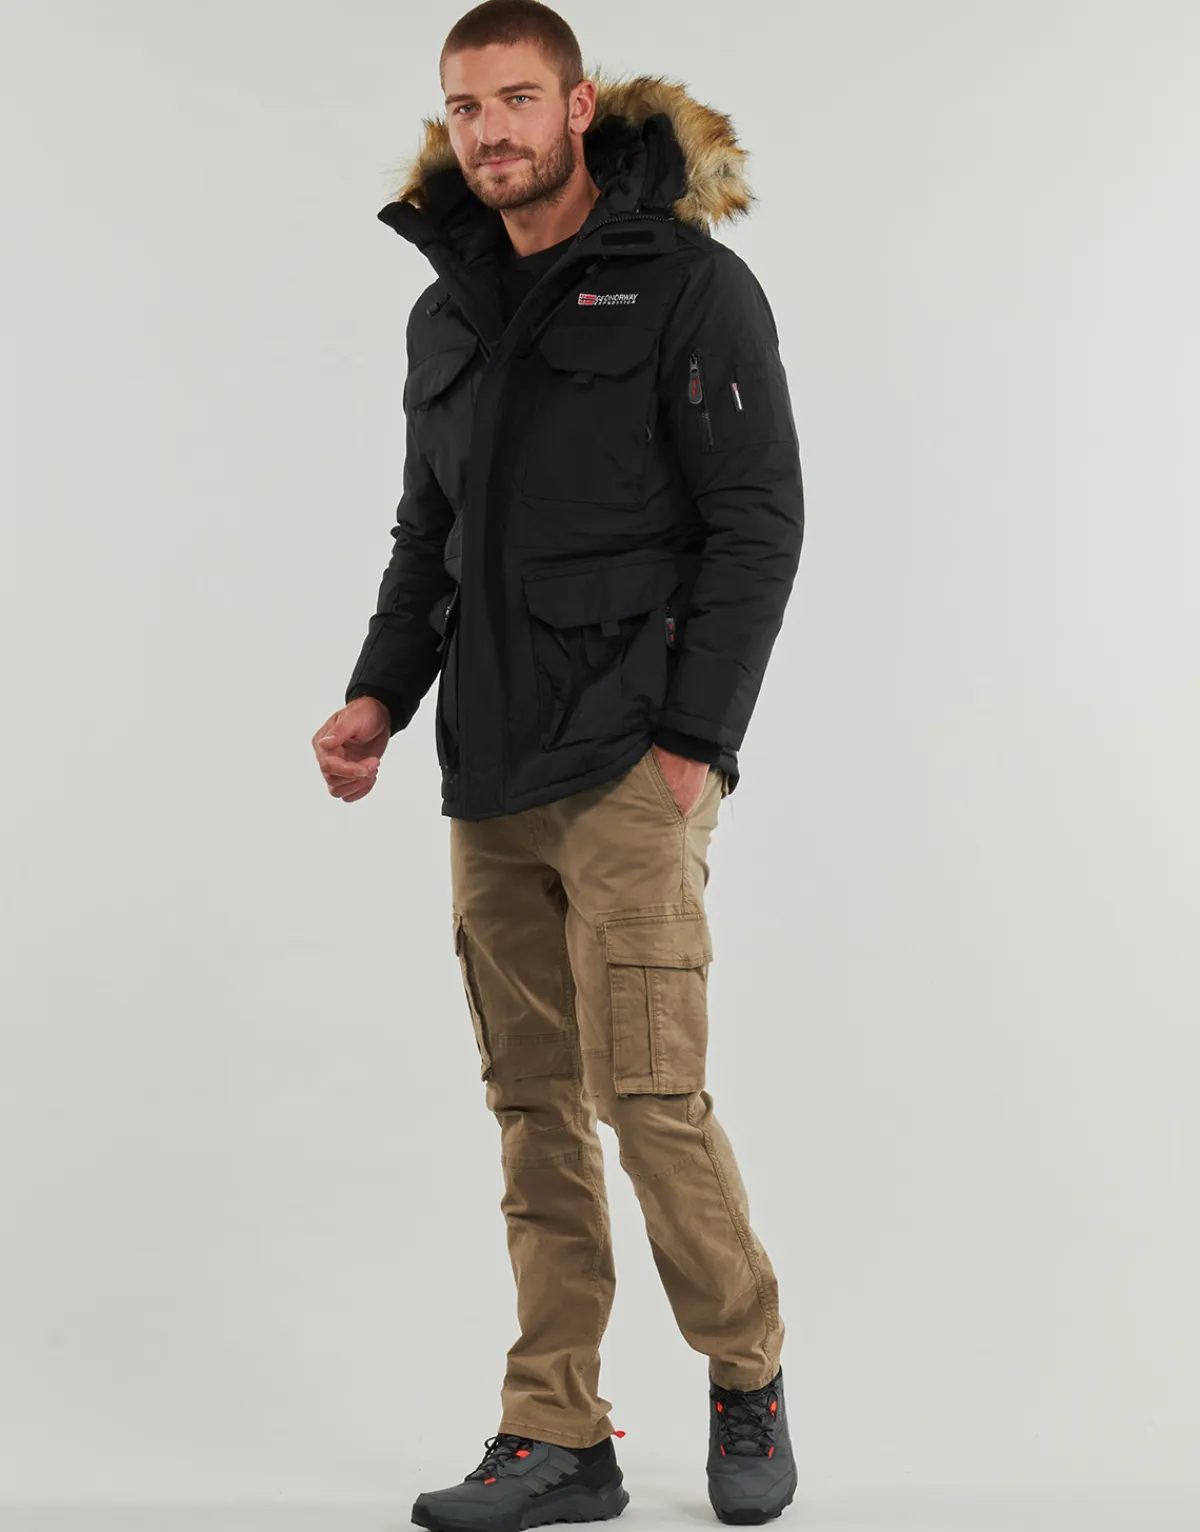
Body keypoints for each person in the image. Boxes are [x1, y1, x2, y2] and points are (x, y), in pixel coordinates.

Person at [311, 3, 804, 1527]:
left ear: (580, 108)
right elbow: (431, 534)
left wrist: (694, 742)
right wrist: (379, 696)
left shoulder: (690, 288)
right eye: (465, 107)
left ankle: (745, 1374)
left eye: (517, 99)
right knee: (532, 1109)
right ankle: (558, 1434)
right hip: (490, 770)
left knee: (649, 1097)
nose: (489, 132)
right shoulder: (446, 310)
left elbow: (758, 525)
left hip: (630, 762)